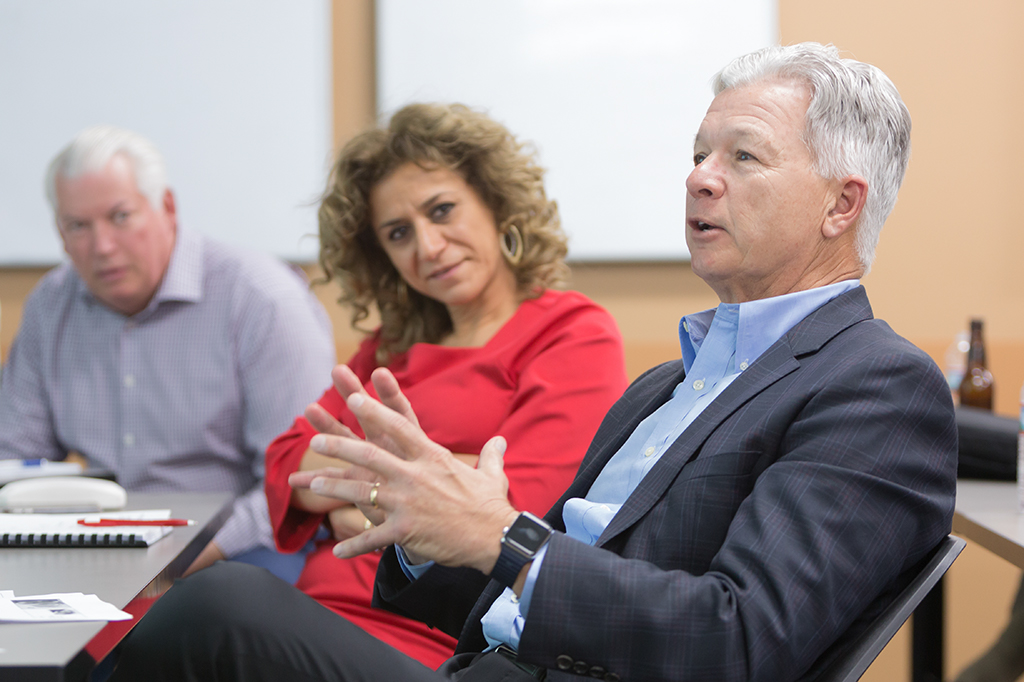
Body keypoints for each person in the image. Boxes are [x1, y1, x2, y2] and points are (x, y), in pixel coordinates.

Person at [111, 42, 958, 682]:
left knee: (221, 609)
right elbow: (517, 577)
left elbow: (739, 640)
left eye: (742, 156)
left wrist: (500, 535)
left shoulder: (876, 385)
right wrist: (420, 532)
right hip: (483, 664)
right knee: (165, 622)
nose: (700, 178)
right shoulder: (667, 385)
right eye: (699, 154)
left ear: (841, 204)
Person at [264, 103, 627, 666]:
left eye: (442, 211)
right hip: (319, 607)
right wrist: (408, 490)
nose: (428, 247)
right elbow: (286, 464)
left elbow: (521, 512)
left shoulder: (571, 331)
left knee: (203, 606)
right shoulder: (391, 347)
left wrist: (355, 500)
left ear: (495, 202)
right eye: (399, 233)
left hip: (438, 633)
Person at [0, 126, 336, 579]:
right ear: (60, 233)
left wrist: (190, 556)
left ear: (168, 208)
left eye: (120, 216)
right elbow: (17, 459)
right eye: (78, 226)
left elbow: (296, 480)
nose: (102, 246)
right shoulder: (51, 305)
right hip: (102, 546)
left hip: (240, 548)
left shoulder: (262, 299)